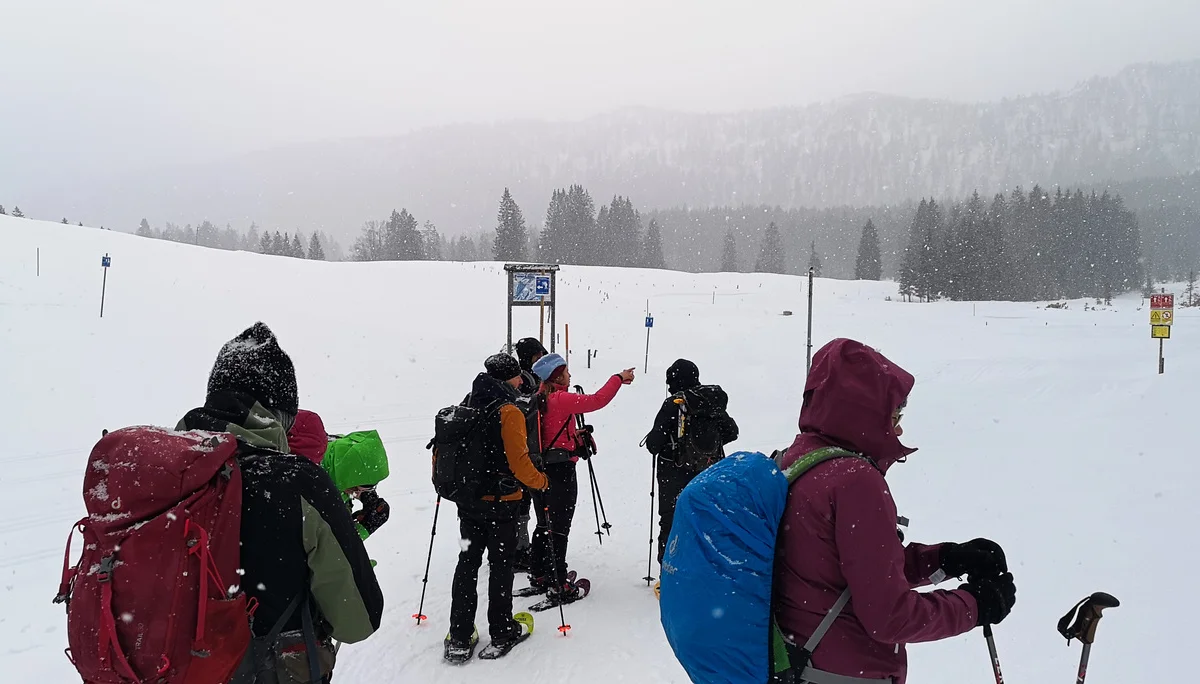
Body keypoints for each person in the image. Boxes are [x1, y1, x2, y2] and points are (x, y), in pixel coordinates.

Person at [774, 338, 1015, 684]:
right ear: (862, 411)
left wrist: (945, 559)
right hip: (841, 675)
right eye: (893, 415)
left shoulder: (795, 462)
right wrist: (975, 605)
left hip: (801, 665)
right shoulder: (854, 481)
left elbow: (851, 570)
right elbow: (890, 616)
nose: (898, 428)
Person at [175, 322, 384, 683]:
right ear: (283, 415)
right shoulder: (296, 482)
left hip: (172, 668)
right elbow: (360, 619)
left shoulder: (169, 471)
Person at [445, 354, 549, 662]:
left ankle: (460, 635)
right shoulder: (508, 410)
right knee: (501, 565)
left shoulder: (467, 403)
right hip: (502, 505)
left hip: (468, 504)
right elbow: (519, 463)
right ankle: (502, 630)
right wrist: (541, 481)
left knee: (467, 563)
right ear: (508, 378)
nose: (520, 381)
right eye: (517, 376)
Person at [527, 352, 634, 600]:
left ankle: (540, 573)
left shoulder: (537, 398)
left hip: (538, 467)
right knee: (560, 525)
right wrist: (618, 378)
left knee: (544, 522)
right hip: (560, 469)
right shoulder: (560, 399)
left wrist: (573, 437)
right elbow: (597, 400)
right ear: (557, 377)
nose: (570, 375)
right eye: (566, 372)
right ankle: (559, 584)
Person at [644, 359, 738, 590]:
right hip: (707, 473)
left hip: (673, 473)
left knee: (671, 522)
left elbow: (654, 444)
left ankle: (670, 575)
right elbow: (732, 432)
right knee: (705, 520)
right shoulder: (711, 402)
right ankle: (705, 572)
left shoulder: (674, 404)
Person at [512, 337, 548, 571]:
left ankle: (520, 547)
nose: (539, 359)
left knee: (525, 499)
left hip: (528, 447)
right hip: (522, 449)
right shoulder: (522, 380)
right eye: (536, 355)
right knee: (522, 500)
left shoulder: (531, 377)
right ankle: (519, 550)